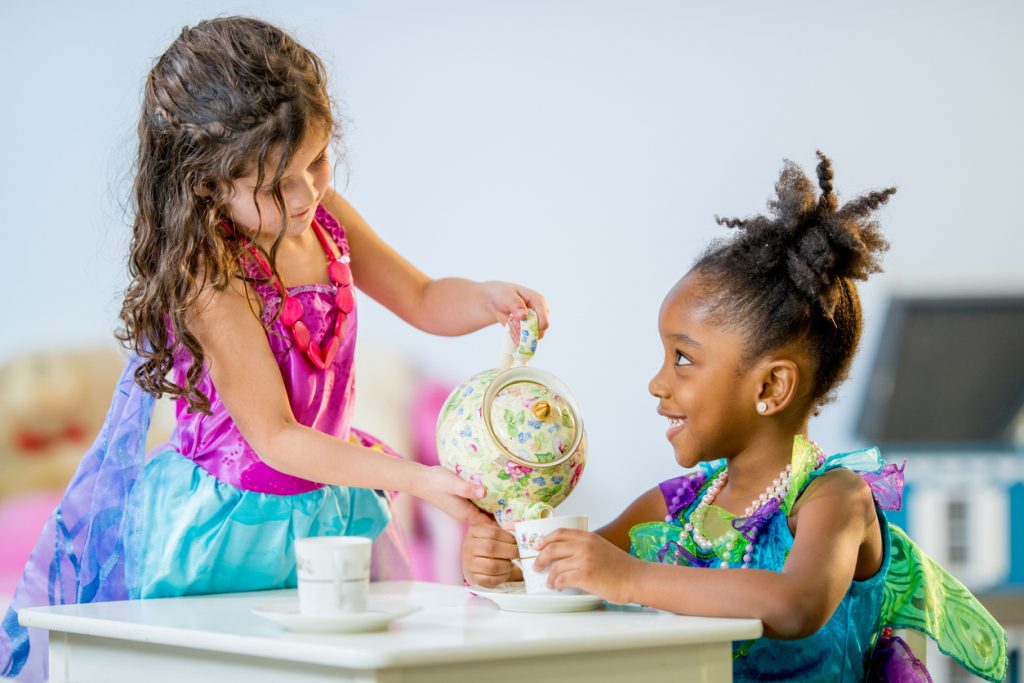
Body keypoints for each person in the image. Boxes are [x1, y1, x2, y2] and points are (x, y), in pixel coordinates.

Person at [1, 16, 548, 681]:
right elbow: (277, 438)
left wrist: (489, 298)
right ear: (206, 183)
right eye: (273, 185)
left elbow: (424, 296)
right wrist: (420, 480)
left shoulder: (325, 219)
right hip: (222, 526)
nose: (306, 193)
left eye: (317, 161)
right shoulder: (210, 271)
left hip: (330, 507)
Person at [462, 152, 1006, 682]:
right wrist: (501, 564)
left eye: (682, 358)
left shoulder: (834, 500)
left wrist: (629, 578)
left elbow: (796, 605)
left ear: (771, 386)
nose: (657, 382)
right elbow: (564, 576)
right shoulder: (674, 506)